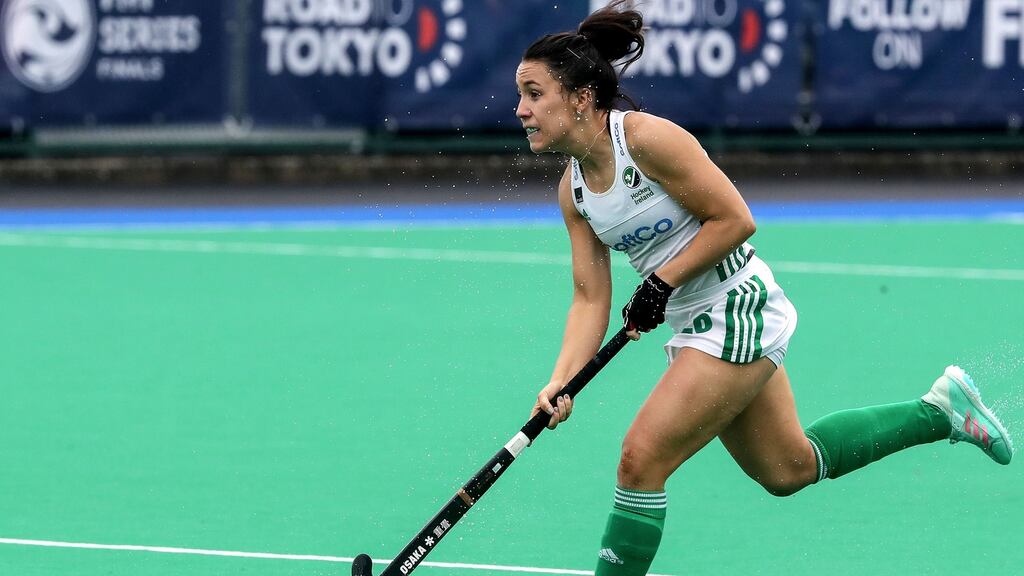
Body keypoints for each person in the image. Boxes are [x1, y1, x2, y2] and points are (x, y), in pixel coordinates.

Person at [516, 2, 1014, 575]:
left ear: (581, 97)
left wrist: (662, 281)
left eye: (534, 94)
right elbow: (590, 298)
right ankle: (940, 411)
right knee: (789, 468)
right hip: (694, 322)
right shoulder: (573, 191)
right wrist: (561, 379)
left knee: (639, 461)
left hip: (736, 306)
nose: (521, 109)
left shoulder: (646, 139)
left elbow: (735, 219)